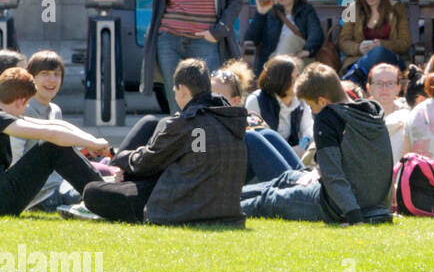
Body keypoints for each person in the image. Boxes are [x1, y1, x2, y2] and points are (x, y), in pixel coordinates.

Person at [79, 59, 248, 225]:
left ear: (182, 89)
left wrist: (122, 157)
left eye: (174, 90)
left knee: (92, 192)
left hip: (180, 210)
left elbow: (146, 162)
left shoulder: (184, 123)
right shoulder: (231, 121)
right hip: (226, 212)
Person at [240, 63, 394, 224]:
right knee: (286, 178)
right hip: (372, 203)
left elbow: (333, 175)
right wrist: (384, 207)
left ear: (322, 102)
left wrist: (353, 215)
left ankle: (219, 210)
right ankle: (221, 199)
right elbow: (382, 162)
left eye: (311, 106)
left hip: (336, 205)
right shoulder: (371, 112)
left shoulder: (327, 118)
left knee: (269, 199)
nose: (312, 112)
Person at [0, 69, 109, 216]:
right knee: (52, 146)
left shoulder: (5, 116)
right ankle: (106, 199)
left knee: (52, 144)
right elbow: (50, 133)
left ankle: (106, 196)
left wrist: (91, 141)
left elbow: (54, 125)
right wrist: (93, 144)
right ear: (22, 100)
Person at [210, 60, 303, 183]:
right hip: (215, 182)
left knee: (267, 134)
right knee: (251, 137)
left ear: (235, 101)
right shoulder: (196, 124)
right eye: (208, 95)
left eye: (216, 96)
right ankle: (296, 188)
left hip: (233, 173)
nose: (210, 100)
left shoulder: (234, 120)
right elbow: (198, 158)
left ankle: (304, 181)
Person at [13, 51, 79, 211]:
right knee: (93, 192)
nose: (52, 80)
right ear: (31, 77)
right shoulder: (22, 109)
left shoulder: (55, 110)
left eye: (57, 74)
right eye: (45, 74)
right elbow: (15, 159)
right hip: (40, 194)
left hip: (59, 185)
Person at [339, 0, 413, 85]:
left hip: (391, 61)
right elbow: (343, 41)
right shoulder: (353, 8)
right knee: (371, 58)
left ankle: (355, 77)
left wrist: (382, 45)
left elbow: (405, 42)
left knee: (378, 52)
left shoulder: (397, 8)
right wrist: (359, 47)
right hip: (361, 59)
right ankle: (360, 78)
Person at [248, 0, 324, 74]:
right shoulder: (269, 11)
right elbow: (251, 39)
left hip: (299, 59)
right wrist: (261, 13)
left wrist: (305, 52)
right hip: (273, 62)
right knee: (277, 59)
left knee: (290, 40)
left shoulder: (306, 10)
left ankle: (278, 75)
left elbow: (316, 34)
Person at [246, 55, 313, 158]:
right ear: (281, 80)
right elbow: (256, 142)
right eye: (293, 78)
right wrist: (289, 151)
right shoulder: (256, 101)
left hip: (297, 156)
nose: (299, 82)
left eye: (298, 76)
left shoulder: (300, 100)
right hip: (268, 159)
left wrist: (303, 146)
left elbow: (308, 130)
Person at [364, 62, 410, 162]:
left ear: (399, 88)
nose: (384, 88)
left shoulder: (409, 115)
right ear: (369, 88)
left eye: (390, 83)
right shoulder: (359, 115)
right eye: (379, 83)